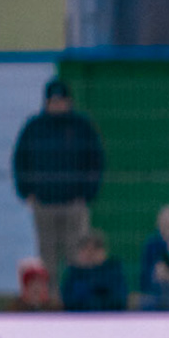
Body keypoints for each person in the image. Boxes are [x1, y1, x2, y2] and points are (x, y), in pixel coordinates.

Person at [11, 77, 104, 295]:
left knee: (77, 257)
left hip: (74, 204)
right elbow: (20, 160)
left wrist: (87, 193)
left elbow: (96, 161)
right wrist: (27, 191)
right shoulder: (34, 128)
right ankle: (51, 303)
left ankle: (76, 301)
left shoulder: (81, 127)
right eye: (54, 101)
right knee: (48, 259)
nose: (58, 105)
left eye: (62, 101)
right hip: (44, 205)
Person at [60, 229, 127, 311]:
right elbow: (69, 302)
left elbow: (118, 300)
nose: (90, 253)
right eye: (85, 248)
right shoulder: (72, 276)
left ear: (104, 251)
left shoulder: (114, 274)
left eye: (96, 248)